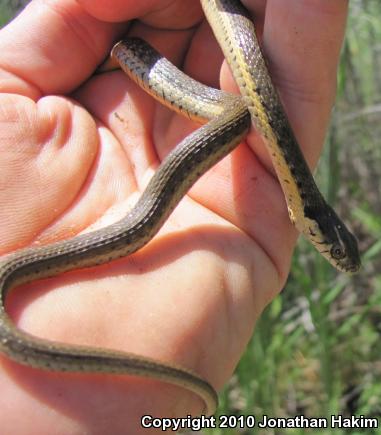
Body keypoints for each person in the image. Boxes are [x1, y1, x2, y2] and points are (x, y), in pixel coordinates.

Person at [0, 0, 348, 433]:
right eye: (331, 249)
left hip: (174, 77)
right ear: (315, 225)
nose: (329, 255)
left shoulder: (284, 185)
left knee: (237, 114)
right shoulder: (288, 176)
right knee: (237, 112)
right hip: (154, 62)